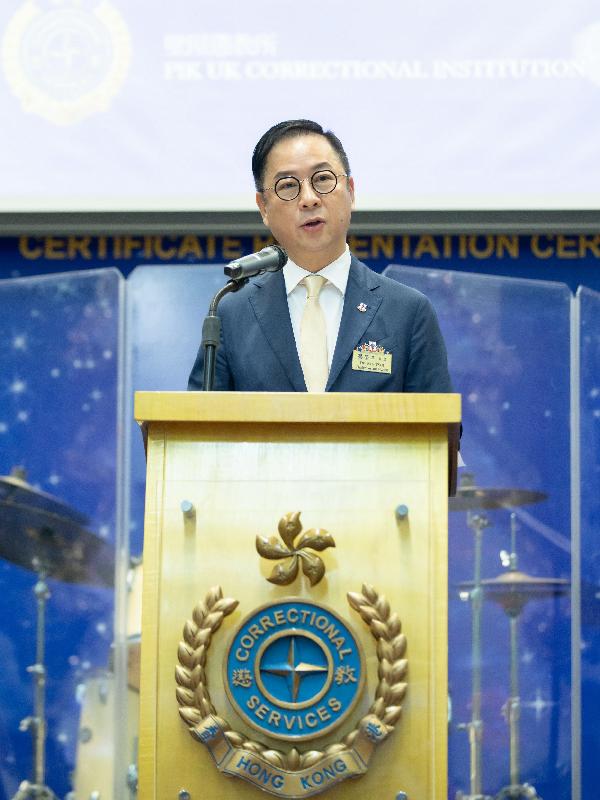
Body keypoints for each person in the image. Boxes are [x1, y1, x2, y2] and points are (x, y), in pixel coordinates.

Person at [188, 119, 453, 394]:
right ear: (263, 208)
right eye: (288, 185)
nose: (309, 198)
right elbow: (195, 430)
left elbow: (437, 431)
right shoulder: (232, 313)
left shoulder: (408, 311)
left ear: (351, 191)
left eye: (323, 179)